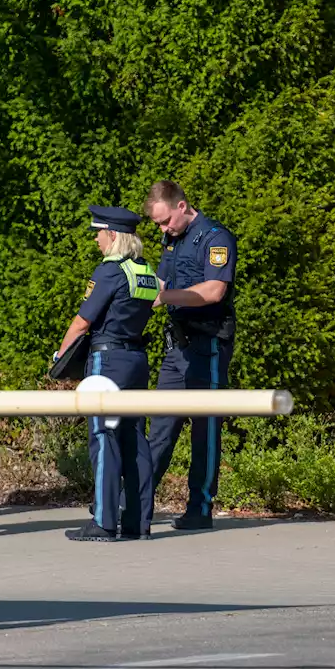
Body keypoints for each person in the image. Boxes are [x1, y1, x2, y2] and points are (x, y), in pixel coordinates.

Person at [54, 206, 158, 542]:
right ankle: (138, 524)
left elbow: (83, 321)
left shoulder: (110, 271)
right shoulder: (144, 270)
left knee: (104, 439)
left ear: (112, 234)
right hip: (136, 362)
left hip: (107, 362)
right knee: (134, 439)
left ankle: (102, 522)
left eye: (99, 233)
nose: (97, 240)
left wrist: (59, 356)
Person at [144, 180, 238, 531]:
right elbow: (161, 283)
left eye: (166, 220)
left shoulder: (216, 237)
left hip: (209, 344)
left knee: (205, 429)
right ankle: (138, 503)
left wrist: (165, 299)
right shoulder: (173, 239)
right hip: (178, 347)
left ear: (182, 206)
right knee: (161, 427)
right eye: (158, 224)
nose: (163, 228)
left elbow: (214, 291)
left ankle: (200, 509)